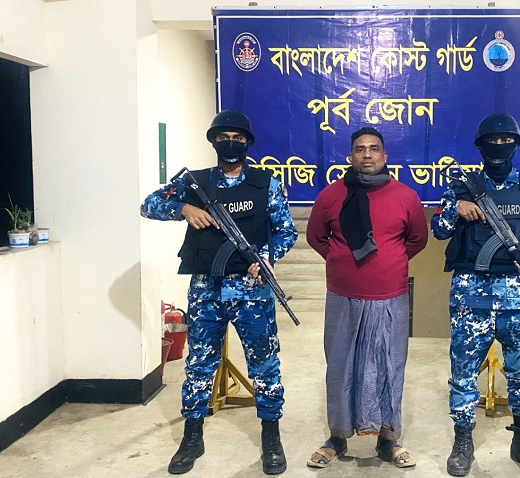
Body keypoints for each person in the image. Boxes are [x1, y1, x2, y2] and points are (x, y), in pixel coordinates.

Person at [140, 110, 297, 476]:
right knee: (199, 366)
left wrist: (268, 257)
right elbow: (148, 204)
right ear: (213, 141)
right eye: (224, 137)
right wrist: (183, 208)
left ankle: (271, 437)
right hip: (206, 290)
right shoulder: (194, 182)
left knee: (265, 366)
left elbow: (285, 230)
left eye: (238, 138)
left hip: (252, 290)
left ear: (248, 144)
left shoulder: (266, 183)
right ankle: (192, 438)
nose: (231, 143)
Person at [431, 113, 520, 478]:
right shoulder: (463, 187)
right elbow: (439, 230)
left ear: (516, 145)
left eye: (506, 141)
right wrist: (455, 209)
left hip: (519, 301)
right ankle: (463, 441)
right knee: (463, 376)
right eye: (493, 141)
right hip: (471, 299)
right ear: (480, 146)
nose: (499, 146)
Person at [305, 127, 428, 469]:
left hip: (390, 297)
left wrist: (390, 262)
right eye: (360, 149)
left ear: (385, 156)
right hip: (343, 296)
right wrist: (341, 259)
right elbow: (316, 237)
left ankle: (388, 440)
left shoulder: (405, 196)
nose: (368, 154)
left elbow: (417, 239)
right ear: (350, 157)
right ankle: (337, 437)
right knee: (340, 368)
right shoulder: (331, 195)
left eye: (374, 149)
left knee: (389, 368)